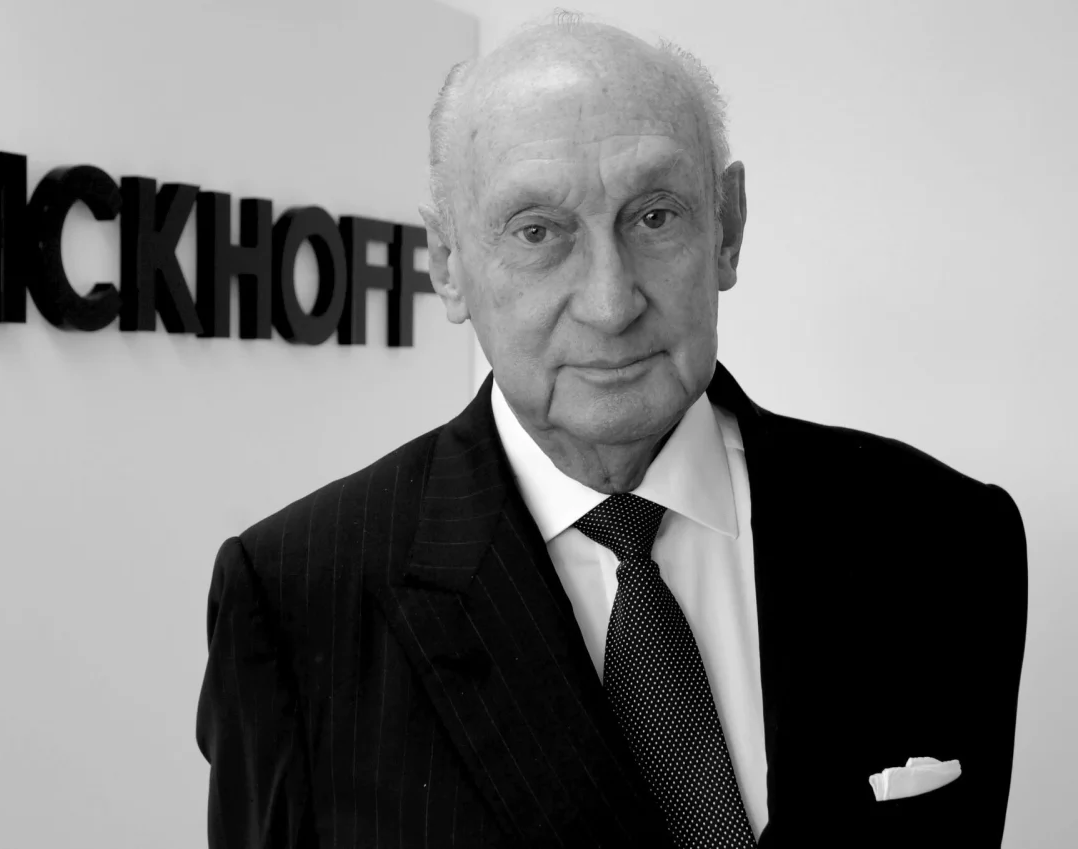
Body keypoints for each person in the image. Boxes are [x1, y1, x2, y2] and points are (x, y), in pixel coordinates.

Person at [195, 12, 1027, 848]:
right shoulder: (298, 599)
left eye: (655, 216)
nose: (610, 301)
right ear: (447, 265)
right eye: (536, 231)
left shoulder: (947, 539)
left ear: (729, 227)